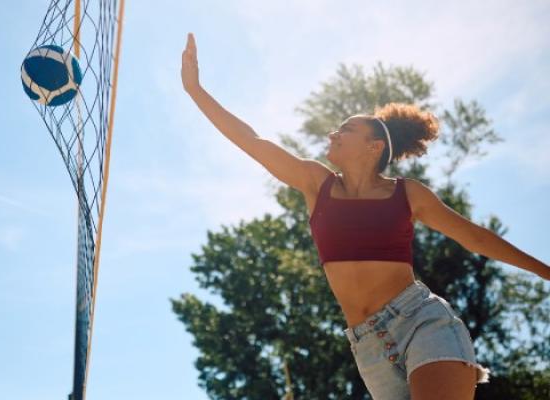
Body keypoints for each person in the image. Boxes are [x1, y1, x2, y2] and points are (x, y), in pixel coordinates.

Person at [180, 33, 550, 399]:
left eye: (346, 129)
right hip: (369, 347)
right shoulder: (316, 183)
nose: (333, 133)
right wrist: (196, 90)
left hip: (422, 322)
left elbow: (475, 238)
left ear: (373, 147)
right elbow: (253, 141)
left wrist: (544, 270)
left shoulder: (406, 193)